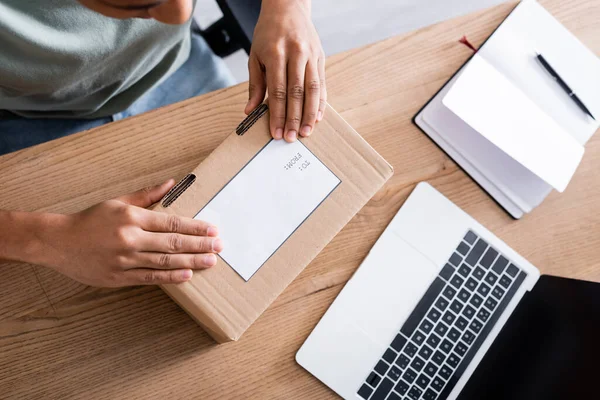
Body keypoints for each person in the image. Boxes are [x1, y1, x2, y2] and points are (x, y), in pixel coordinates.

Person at [0, 0, 327, 287]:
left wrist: (288, 8)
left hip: (176, 65)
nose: (180, 14)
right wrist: (45, 240)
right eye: (135, 3)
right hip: (32, 119)